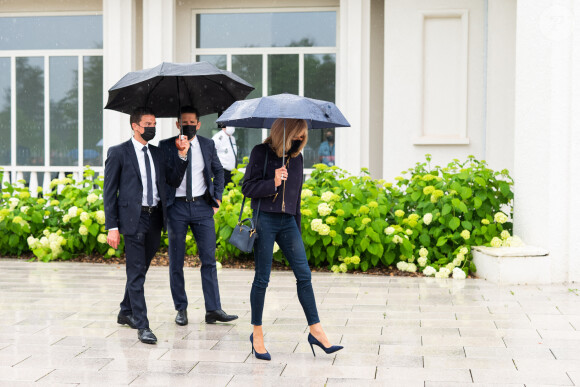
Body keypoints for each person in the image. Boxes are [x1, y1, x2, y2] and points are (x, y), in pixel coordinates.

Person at [242, 118, 343, 360]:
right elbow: (247, 188)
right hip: (264, 219)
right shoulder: (261, 152)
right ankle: (257, 334)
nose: (299, 140)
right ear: (282, 133)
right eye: (296, 135)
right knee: (262, 279)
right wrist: (273, 182)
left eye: (303, 136)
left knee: (304, 275)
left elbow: (296, 198)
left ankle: (316, 331)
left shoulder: (297, 158)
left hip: (288, 222)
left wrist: (296, 230)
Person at [104, 107, 190, 344]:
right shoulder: (118, 153)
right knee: (135, 271)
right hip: (132, 219)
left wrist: (182, 155)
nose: (152, 127)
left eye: (154, 123)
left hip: (154, 218)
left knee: (140, 270)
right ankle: (143, 325)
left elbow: (173, 180)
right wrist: (112, 226)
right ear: (135, 126)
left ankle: (125, 311)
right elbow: (109, 193)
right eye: (148, 124)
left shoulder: (158, 152)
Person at [159, 106, 238, 326]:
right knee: (176, 260)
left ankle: (213, 309)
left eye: (192, 122)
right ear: (177, 124)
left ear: (199, 124)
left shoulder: (207, 144)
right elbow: (167, 178)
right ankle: (181, 309)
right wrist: (181, 154)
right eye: (184, 122)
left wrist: (218, 198)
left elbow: (218, 171)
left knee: (209, 259)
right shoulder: (166, 146)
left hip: (203, 206)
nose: (189, 125)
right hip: (177, 207)